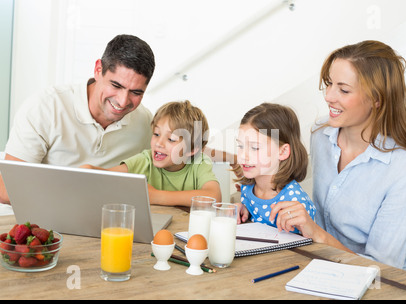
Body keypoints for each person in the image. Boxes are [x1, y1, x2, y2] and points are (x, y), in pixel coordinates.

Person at [271, 40, 406, 275]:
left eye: (343, 90)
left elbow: (382, 269)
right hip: (326, 264)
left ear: (377, 99)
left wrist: (316, 233)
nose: (329, 96)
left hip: (387, 283)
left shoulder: (403, 170)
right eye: (329, 84)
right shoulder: (321, 135)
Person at [0, 34, 156, 204]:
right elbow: (7, 190)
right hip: (46, 218)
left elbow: (161, 175)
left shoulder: (144, 121)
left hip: (109, 220)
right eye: (116, 86)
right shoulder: (45, 107)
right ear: (98, 70)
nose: (122, 101)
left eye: (136, 92)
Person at [81, 100, 221, 207]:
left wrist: (157, 196)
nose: (159, 143)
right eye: (156, 134)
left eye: (171, 139)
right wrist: (90, 170)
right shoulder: (145, 159)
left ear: (192, 150)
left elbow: (214, 196)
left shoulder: (199, 162)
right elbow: (109, 176)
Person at [235, 103, 316, 233]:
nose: (243, 156)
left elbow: (310, 246)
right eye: (240, 146)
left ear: (282, 152)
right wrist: (244, 210)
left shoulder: (296, 201)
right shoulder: (248, 187)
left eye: (254, 148)